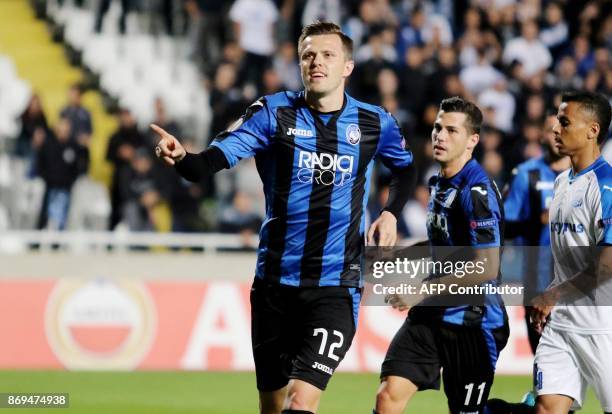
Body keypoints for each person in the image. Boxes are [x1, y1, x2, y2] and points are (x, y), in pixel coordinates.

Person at [151, 22, 415, 414]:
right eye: (308, 55)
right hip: (274, 284)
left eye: (328, 55)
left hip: (335, 286)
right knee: (272, 406)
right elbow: (207, 163)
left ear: (348, 66)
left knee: (300, 401)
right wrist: (182, 158)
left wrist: (391, 212)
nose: (317, 62)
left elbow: (405, 169)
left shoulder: (375, 123)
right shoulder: (273, 113)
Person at [374, 97, 509, 414]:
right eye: (437, 128)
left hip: (473, 322)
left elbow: (487, 267)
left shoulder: (476, 192)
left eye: (451, 130)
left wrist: (421, 290)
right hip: (432, 314)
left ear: (472, 140)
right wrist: (397, 257)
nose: (440, 136)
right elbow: (442, 243)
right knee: (388, 396)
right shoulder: (438, 182)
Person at [530, 92, 612, 413]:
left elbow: (606, 266)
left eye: (565, 122)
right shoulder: (562, 182)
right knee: (547, 408)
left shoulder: (607, 188)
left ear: (593, 130)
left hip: (603, 328)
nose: (555, 128)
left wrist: (554, 294)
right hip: (562, 326)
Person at [503, 112, 570, 354]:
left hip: (576, 285)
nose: (556, 135)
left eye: (562, 128)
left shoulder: (589, 177)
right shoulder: (525, 174)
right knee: (543, 359)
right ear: (541, 135)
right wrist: (537, 220)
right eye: (551, 130)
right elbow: (503, 227)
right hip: (536, 283)